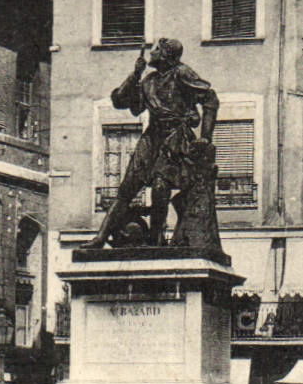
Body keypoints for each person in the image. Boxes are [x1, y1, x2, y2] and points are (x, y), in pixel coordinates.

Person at [81, 38, 218, 251]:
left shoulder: (181, 73)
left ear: (165, 55)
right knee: (127, 189)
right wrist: (135, 74)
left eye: (155, 50)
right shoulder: (148, 81)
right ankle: (100, 237)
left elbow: (210, 99)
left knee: (160, 188)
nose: (151, 53)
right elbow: (121, 102)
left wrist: (206, 137)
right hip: (152, 137)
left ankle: (155, 241)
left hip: (175, 138)